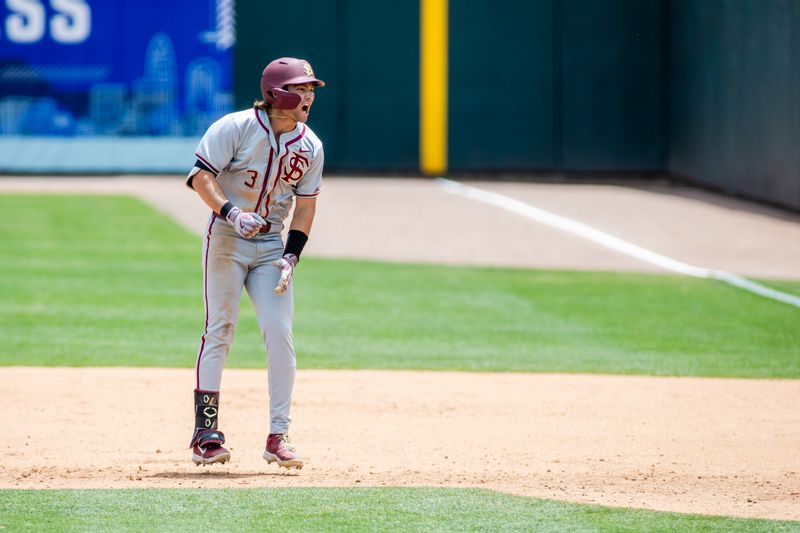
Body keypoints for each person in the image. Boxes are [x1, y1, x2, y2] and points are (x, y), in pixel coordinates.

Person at [185, 57, 325, 469]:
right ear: (276, 93)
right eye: (301, 89)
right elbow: (200, 177)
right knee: (220, 328)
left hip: (269, 247)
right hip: (227, 238)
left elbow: (306, 205)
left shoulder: (310, 145)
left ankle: (278, 435)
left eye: (311, 90)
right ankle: (205, 434)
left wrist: (291, 256)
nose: (309, 97)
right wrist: (231, 212)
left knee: (280, 332)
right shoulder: (236, 127)